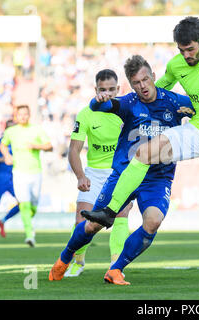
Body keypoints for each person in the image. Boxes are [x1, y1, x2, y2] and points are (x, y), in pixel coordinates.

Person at [82, 16, 199, 278]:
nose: (186, 55)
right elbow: (158, 88)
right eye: (181, 50)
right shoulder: (177, 64)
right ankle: (109, 211)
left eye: (191, 49)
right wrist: (129, 103)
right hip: (196, 129)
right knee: (144, 152)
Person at [49, 55, 195, 284]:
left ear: (153, 77)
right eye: (136, 83)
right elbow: (101, 105)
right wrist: (98, 100)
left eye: (146, 80)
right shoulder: (128, 103)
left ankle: (116, 269)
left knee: (153, 221)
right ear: (130, 85)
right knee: (93, 225)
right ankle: (65, 258)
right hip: (124, 175)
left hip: (158, 179)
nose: (142, 86)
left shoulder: (176, 102)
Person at [65, 69, 132, 277]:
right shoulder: (86, 113)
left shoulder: (127, 110)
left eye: (112, 89)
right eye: (103, 90)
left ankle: (115, 267)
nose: (108, 94)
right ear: (96, 90)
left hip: (120, 172)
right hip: (94, 173)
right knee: (82, 221)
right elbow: (74, 150)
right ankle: (79, 262)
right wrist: (80, 176)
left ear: (118, 89)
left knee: (121, 217)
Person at [0, 105, 53, 247]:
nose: (23, 116)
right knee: (24, 203)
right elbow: (3, 145)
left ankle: (28, 223)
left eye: (25, 114)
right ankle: (29, 235)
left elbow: (49, 146)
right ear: (16, 116)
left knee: (33, 205)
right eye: (20, 114)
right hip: (19, 172)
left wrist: (37, 146)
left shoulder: (37, 129)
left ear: (29, 115)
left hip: (36, 172)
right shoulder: (11, 131)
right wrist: (7, 156)